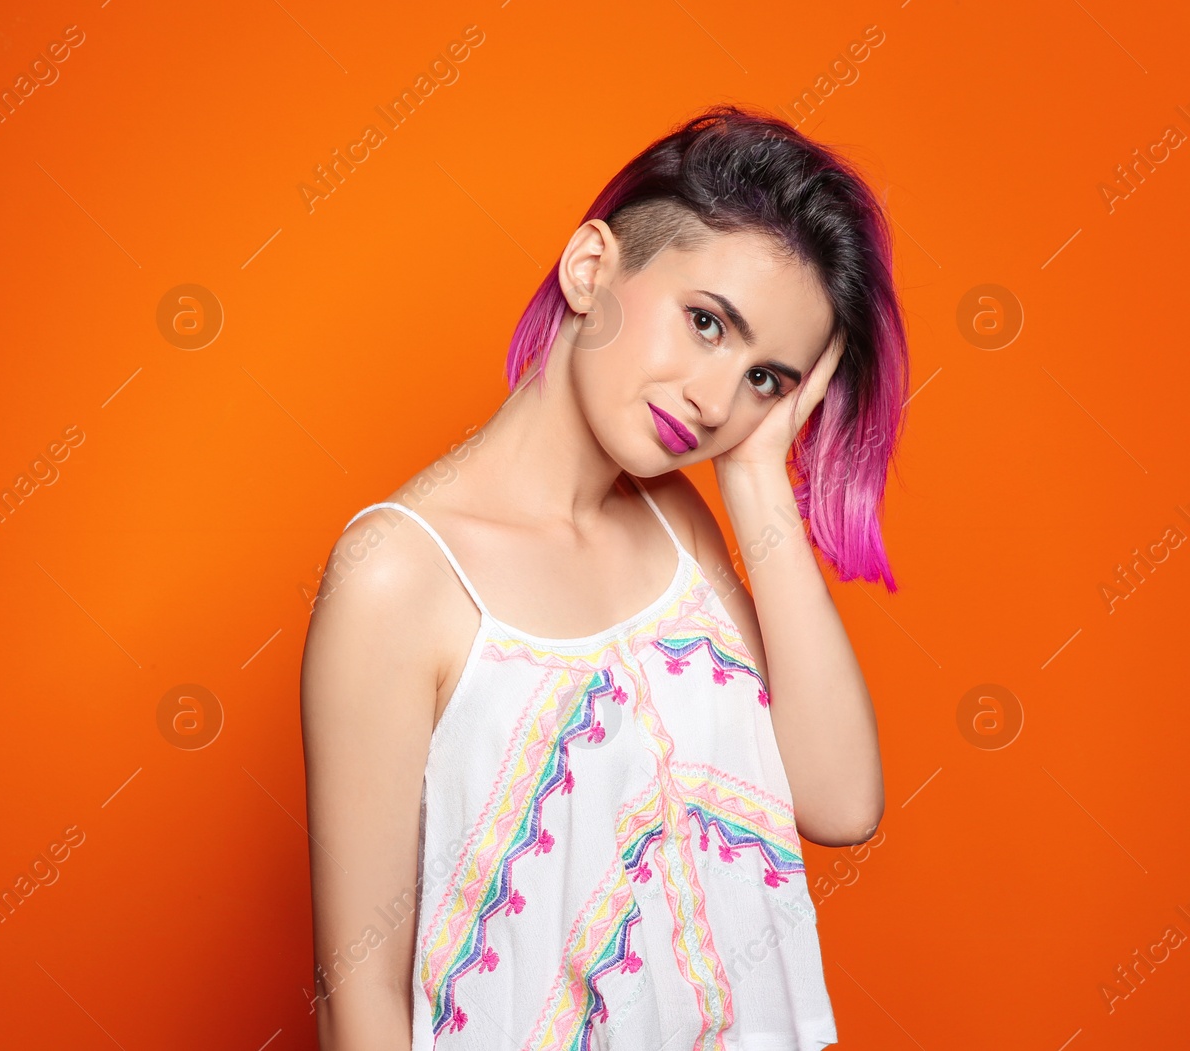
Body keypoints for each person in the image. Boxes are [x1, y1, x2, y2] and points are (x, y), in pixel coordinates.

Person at [300, 103, 907, 1051]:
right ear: (593, 270)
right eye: (706, 323)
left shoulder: (679, 527)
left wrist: (754, 477)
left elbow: (839, 800)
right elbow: (358, 996)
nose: (715, 400)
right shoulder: (398, 576)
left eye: (765, 379)